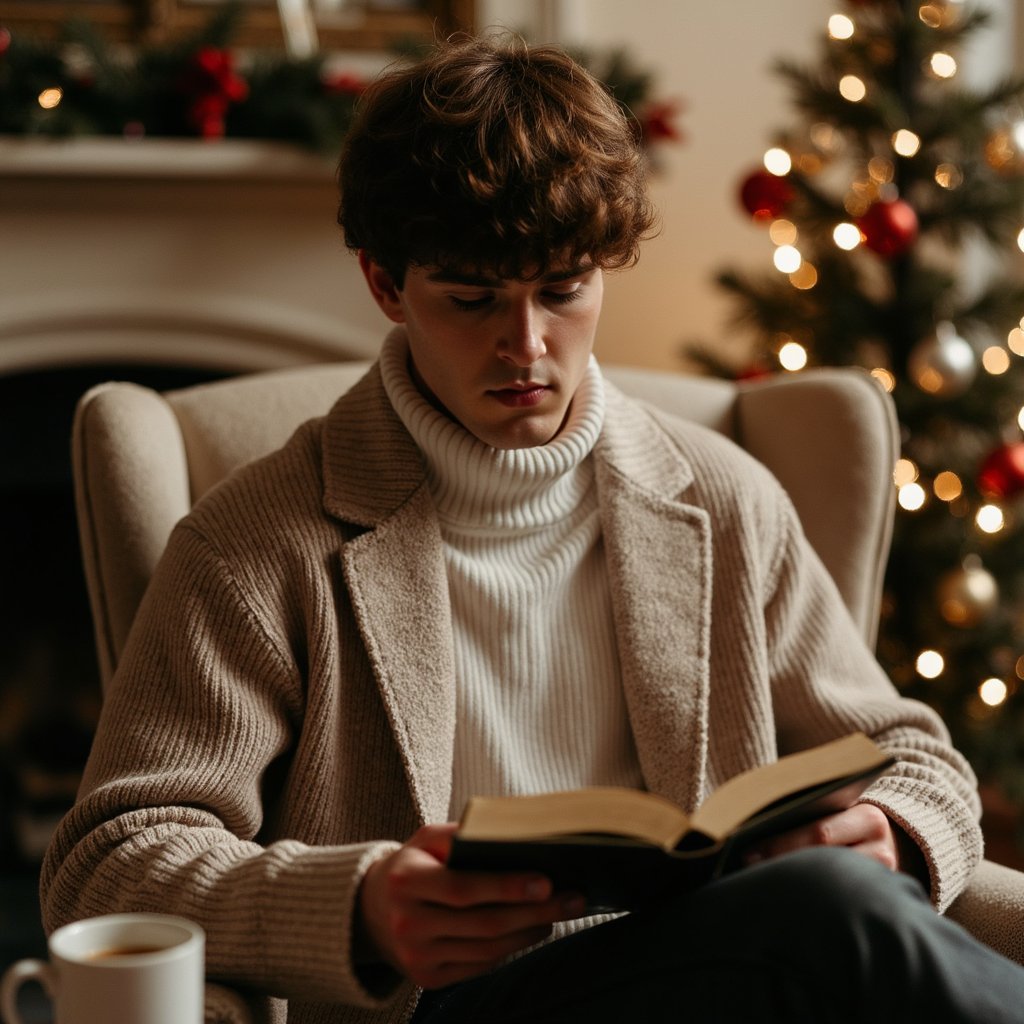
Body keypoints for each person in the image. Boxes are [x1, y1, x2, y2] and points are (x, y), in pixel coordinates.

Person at [41, 34, 1024, 1024]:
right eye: (472, 299)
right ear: (385, 284)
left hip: (703, 985)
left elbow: (913, 752)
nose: (526, 346)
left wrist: (890, 826)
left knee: (834, 900)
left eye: (563, 290)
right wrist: (359, 907)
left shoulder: (723, 498)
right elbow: (108, 861)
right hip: (442, 1009)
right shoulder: (255, 541)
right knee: (829, 915)